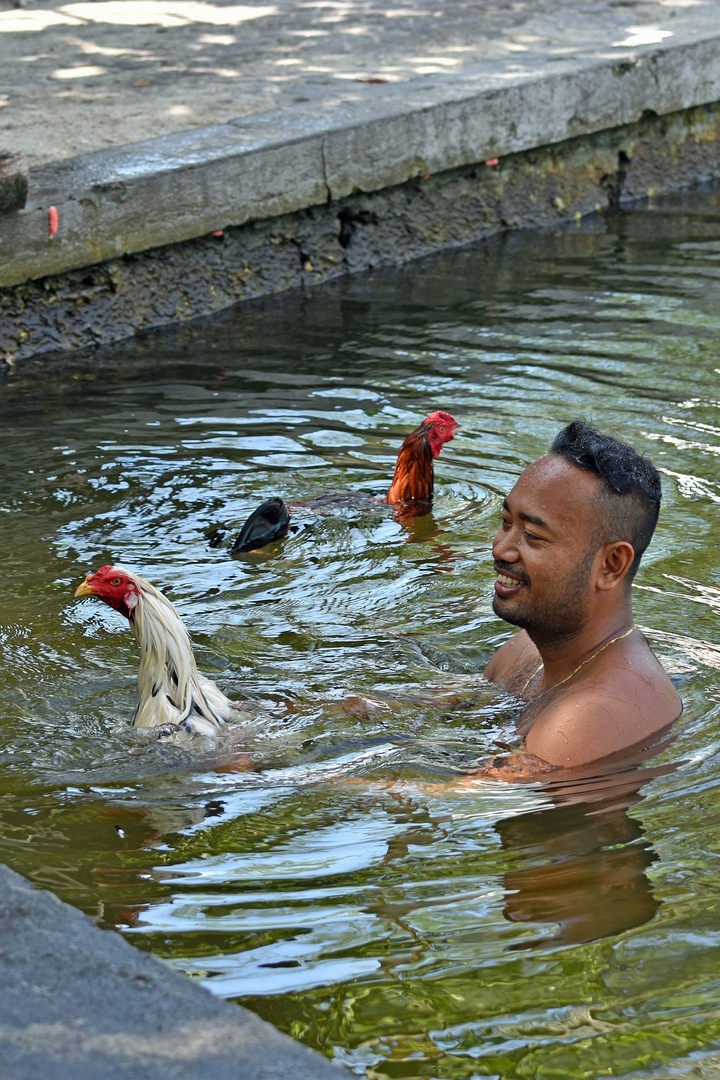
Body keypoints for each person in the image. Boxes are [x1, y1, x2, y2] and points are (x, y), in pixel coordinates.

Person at [480, 420, 682, 781]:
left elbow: (452, 795)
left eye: (533, 536)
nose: (502, 549)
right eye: (506, 521)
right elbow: (457, 701)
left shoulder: (587, 719)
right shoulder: (527, 646)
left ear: (611, 565)